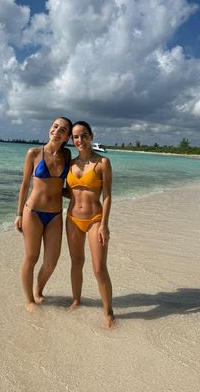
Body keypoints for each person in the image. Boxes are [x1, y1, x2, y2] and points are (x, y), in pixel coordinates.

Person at [14, 117, 72, 312]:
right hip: (33, 212)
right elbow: (24, 185)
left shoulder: (67, 155)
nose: (57, 131)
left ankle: (39, 289)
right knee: (31, 257)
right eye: (55, 127)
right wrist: (19, 213)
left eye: (63, 130)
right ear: (50, 129)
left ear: (67, 137)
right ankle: (29, 300)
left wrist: (85, 196)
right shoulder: (34, 153)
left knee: (51, 262)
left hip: (55, 214)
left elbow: (67, 188)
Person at [65, 121, 115, 328]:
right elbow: (67, 192)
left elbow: (108, 196)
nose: (80, 140)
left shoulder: (102, 162)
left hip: (95, 220)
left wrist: (104, 224)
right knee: (76, 262)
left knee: (99, 269)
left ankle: (108, 312)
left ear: (91, 136)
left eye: (84, 135)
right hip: (72, 219)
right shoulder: (70, 163)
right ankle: (76, 299)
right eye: (76, 137)